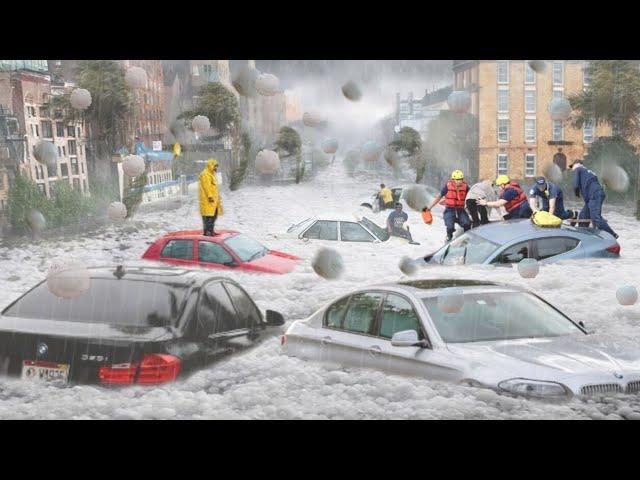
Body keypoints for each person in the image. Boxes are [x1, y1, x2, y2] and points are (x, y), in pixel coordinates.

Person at [570, 159, 618, 238]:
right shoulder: (588, 172)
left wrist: (576, 193)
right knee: (583, 216)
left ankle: (612, 235)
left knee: (595, 217)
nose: (572, 169)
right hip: (594, 195)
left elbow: (575, 184)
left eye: (572, 166)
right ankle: (584, 236)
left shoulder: (577, 169)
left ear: (575, 164)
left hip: (594, 195)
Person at [425, 170, 471, 242]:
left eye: (460, 179)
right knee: (450, 227)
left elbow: (471, 197)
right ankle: (449, 236)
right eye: (457, 180)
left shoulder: (466, 187)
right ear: (453, 180)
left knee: (467, 224)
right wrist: (429, 207)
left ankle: (466, 239)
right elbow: (438, 197)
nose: (459, 181)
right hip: (450, 209)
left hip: (460, 210)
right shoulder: (447, 186)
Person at [199, 158, 223, 236]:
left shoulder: (211, 174)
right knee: (208, 218)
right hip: (208, 202)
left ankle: (211, 231)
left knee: (213, 217)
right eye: (215, 166)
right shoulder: (205, 174)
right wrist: (210, 196)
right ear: (211, 165)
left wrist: (218, 198)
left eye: (216, 167)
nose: (216, 168)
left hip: (213, 202)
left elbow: (214, 188)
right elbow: (207, 187)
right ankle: (207, 232)